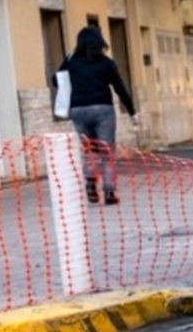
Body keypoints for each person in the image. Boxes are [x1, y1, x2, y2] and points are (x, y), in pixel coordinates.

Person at [58, 25, 136, 205]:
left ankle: (91, 185)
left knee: (89, 150)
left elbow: (57, 80)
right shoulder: (106, 63)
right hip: (103, 110)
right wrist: (131, 110)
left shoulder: (71, 61)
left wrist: (68, 63)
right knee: (107, 151)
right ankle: (109, 191)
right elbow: (119, 88)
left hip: (78, 110)